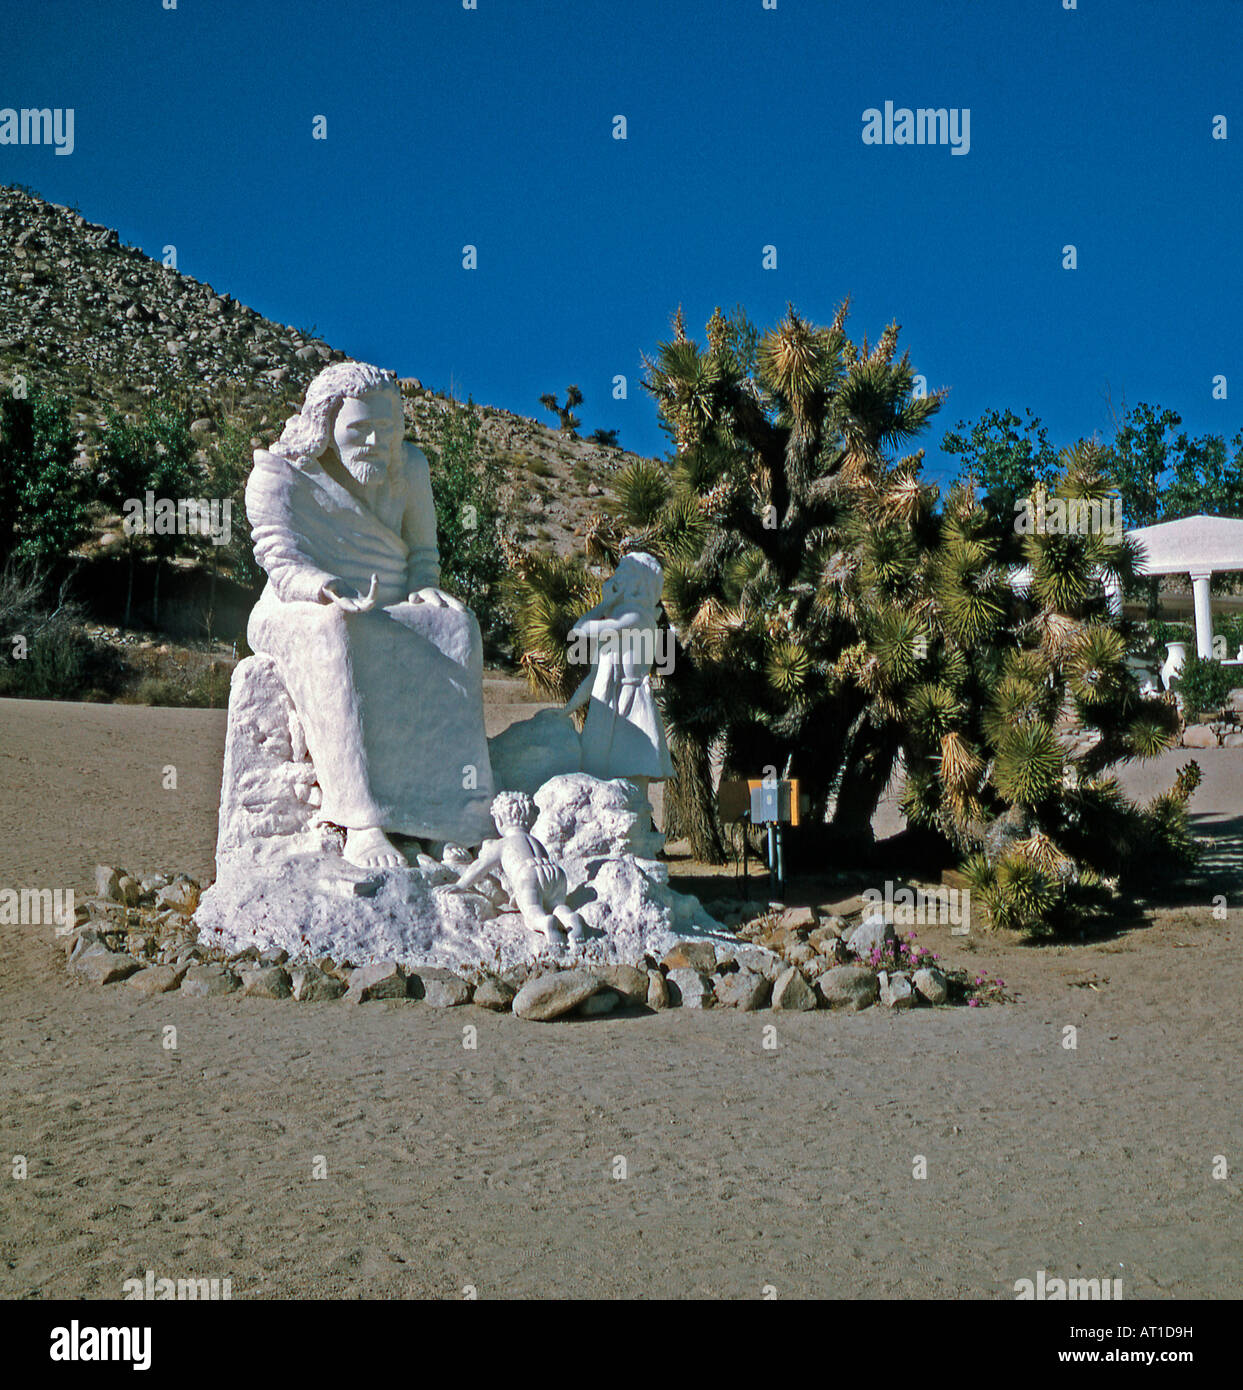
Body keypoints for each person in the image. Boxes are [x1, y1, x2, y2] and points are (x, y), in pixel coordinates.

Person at [245, 361, 494, 868]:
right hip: (299, 607)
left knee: (457, 629)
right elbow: (279, 557)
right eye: (361, 429)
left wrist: (426, 589)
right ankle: (361, 820)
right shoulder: (281, 471)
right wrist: (327, 587)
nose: (377, 442)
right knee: (338, 631)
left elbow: (423, 555)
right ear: (326, 423)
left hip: (388, 607)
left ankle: (451, 816)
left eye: (389, 430)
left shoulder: (411, 468)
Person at [564, 551, 674, 808]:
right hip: (612, 706)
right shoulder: (627, 617)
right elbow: (595, 675)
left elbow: (580, 629)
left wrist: (604, 604)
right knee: (608, 790)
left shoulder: (636, 617)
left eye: (621, 573)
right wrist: (567, 710)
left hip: (629, 707)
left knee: (632, 791)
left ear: (636, 582)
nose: (614, 578)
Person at [447, 792, 585, 949]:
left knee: (533, 910)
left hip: (528, 874)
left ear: (499, 821)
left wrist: (460, 885)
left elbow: (480, 866)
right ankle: (570, 919)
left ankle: (544, 922)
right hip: (554, 872)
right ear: (530, 820)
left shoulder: (502, 844)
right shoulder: (535, 841)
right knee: (556, 905)